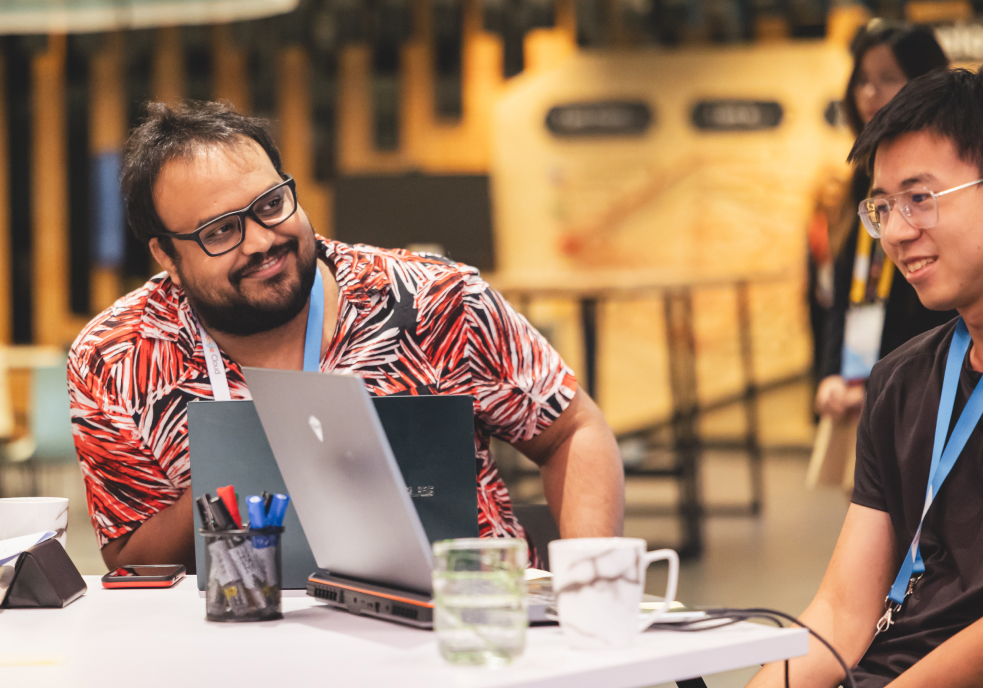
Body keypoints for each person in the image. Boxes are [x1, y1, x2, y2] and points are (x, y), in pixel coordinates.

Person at [68, 101, 625, 573]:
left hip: (463, 636)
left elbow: (572, 431)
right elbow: (130, 557)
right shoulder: (115, 356)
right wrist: (244, 478)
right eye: (220, 231)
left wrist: (589, 589)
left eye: (270, 205)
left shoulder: (432, 300)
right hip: (243, 646)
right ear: (165, 254)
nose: (262, 241)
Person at [750, 67, 983, 688]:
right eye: (883, 207)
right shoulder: (899, 382)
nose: (896, 233)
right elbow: (843, 611)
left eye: (921, 198)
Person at [813, 20, 954, 418]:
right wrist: (833, 375)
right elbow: (845, 293)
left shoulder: (952, 174)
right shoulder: (859, 178)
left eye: (886, 78)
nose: (869, 94)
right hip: (865, 395)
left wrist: (884, 381)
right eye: (861, 80)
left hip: (931, 389)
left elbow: (944, 303)